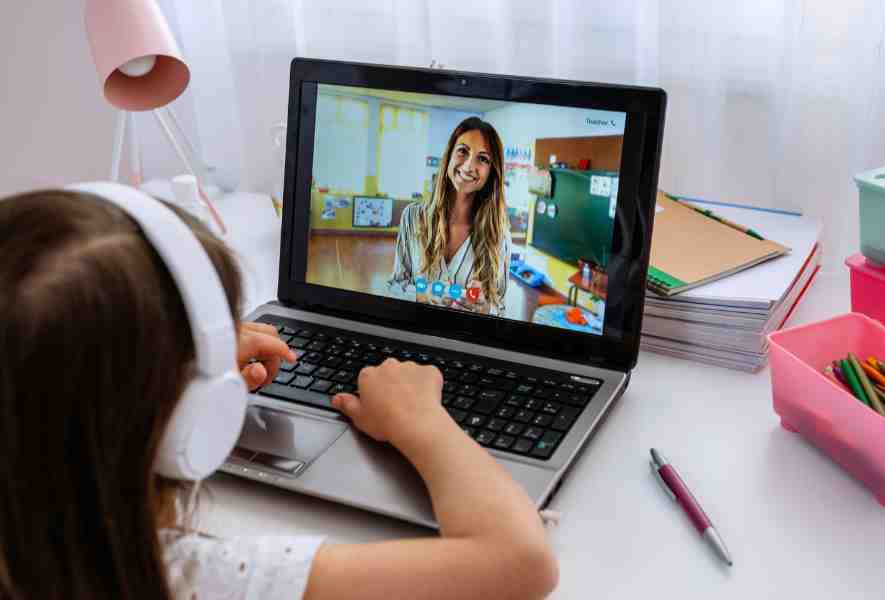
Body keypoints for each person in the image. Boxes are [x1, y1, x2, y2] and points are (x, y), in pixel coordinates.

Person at [0, 189, 558, 600]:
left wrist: (183, 356)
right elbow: (520, 563)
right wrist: (426, 422)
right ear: (188, 424)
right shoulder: (189, 579)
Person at [389, 117, 512, 316]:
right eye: (463, 151)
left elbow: (501, 308)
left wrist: (485, 308)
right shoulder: (411, 216)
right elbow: (394, 286)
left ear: (491, 172)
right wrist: (420, 296)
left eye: (483, 158)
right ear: (449, 157)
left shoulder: (499, 235)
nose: (469, 166)